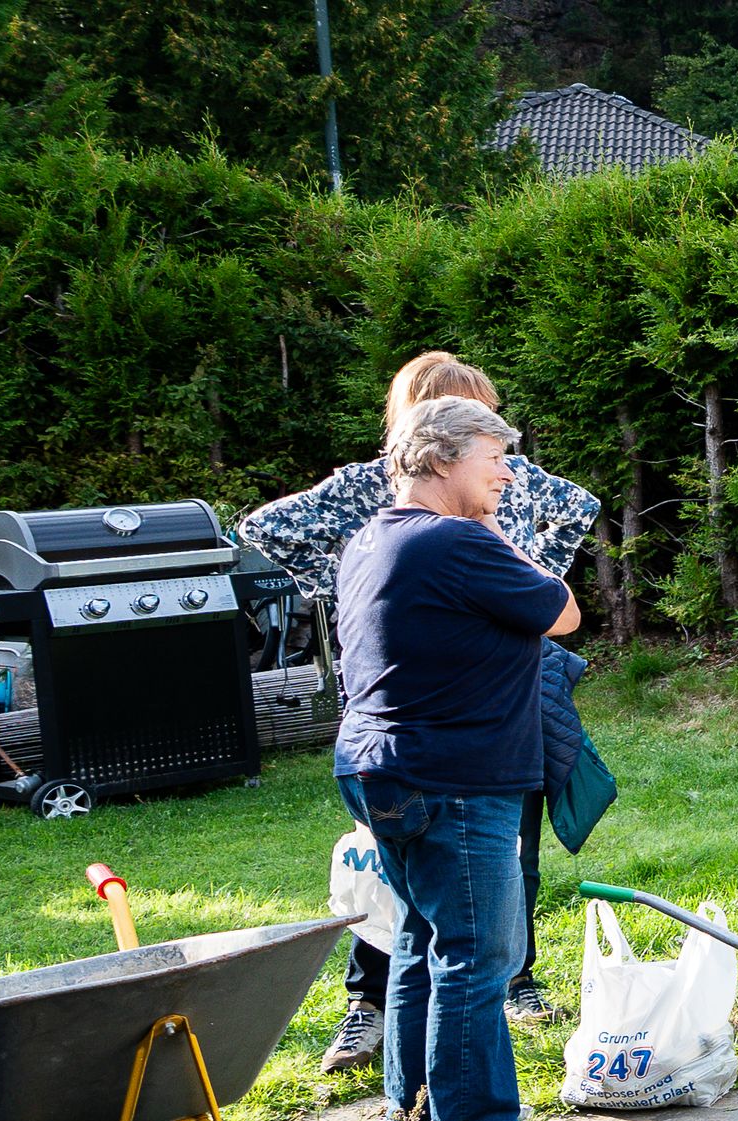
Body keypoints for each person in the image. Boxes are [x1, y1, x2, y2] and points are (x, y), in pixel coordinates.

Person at [245, 351, 598, 1063]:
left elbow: (575, 512)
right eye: (485, 441)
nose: (503, 464)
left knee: (457, 896)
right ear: (430, 439)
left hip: (467, 708)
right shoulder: (388, 507)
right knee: (444, 925)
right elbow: (564, 615)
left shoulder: (476, 500)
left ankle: (428, 1084)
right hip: (434, 734)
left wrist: (512, 580)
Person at [333, 396, 584, 1121]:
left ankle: (410, 1116)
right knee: (480, 953)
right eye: (494, 459)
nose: (507, 475)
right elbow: (564, 613)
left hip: (378, 767)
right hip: (454, 775)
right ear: (442, 459)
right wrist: (492, 530)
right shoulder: (458, 542)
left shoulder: (372, 538)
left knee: (417, 940)